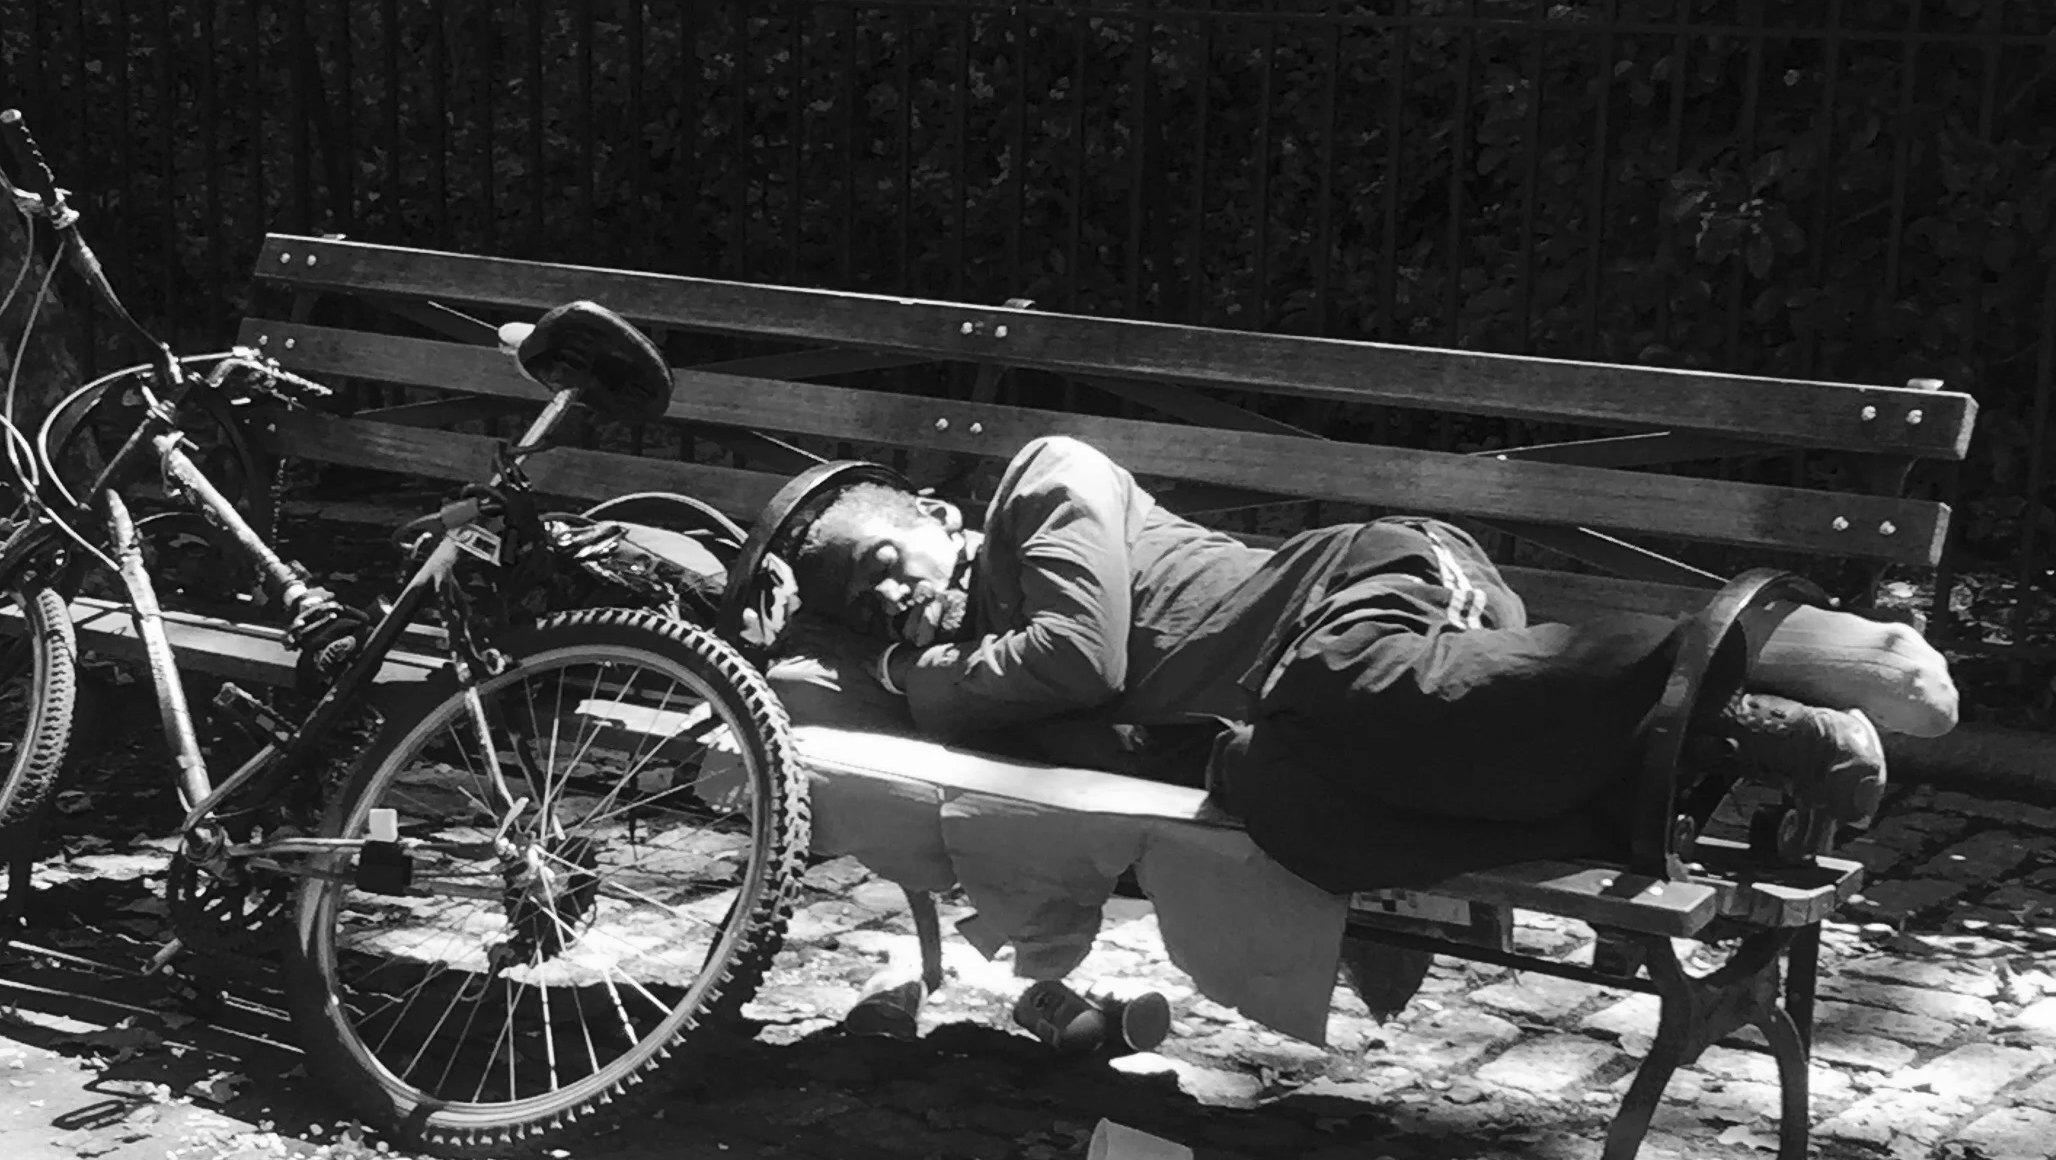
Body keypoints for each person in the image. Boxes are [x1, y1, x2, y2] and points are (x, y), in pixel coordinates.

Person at [771, 434, 1958, 908]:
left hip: (1363, 591)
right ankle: (1638, 791)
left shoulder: (1045, 480)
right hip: (1288, 716)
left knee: (1336, 686)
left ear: (934, 510)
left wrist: (907, 668)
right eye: (857, 598)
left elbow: (1077, 657)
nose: (886, 591)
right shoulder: (960, 661)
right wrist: (869, 649)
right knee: (1291, 807)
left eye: (883, 556)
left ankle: (1734, 711)